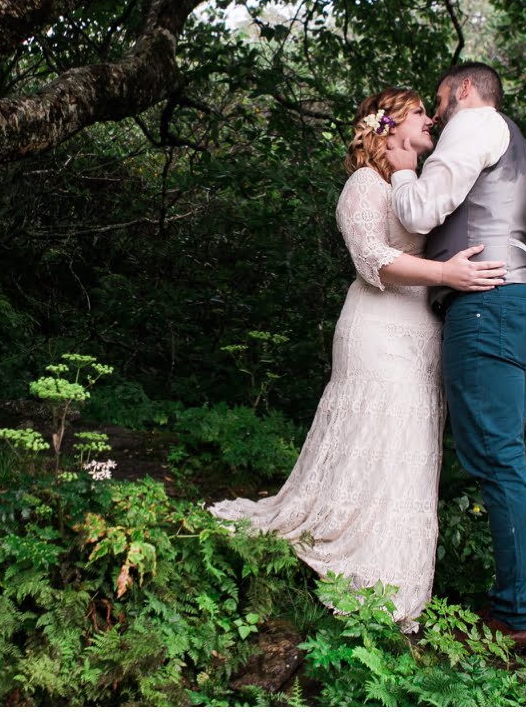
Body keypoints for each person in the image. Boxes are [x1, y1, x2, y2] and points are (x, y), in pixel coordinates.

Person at [209, 87, 505, 630]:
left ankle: (392, 579)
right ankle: (348, 555)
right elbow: (373, 258)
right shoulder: (363, 184)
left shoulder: (420, 186)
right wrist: (446, 275)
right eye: (419, 112)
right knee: (377, 435)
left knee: (409, 451)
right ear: (389, 126)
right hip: (376, 329)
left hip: (424, 335)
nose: (431, 120)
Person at [385, 62, 526, 651]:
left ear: (463, 90)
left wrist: (405, 173)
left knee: (498, 460)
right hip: (522, 304)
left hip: (491, 306)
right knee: (502, 456)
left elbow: (420, 211)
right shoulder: (515, 146)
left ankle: (517, 614)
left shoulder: (477, 121)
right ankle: (517, 605)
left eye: (438, 100)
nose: (434, 115)